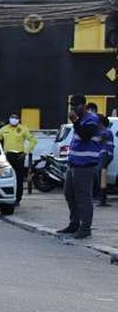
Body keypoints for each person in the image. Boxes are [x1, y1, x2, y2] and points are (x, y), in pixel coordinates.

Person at [59, 94, 101, 239]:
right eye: (71, 106)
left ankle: (85, 228)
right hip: (73, 164)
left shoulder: (91, 119)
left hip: (85, 165)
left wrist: (75, 122)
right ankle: (74, 223)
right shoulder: (80, 120)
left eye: (76, 106)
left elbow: (85, 135)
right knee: (69, 194)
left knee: (84, 197)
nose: (73, 109)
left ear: (84, 105)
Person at [0, 112, 37, 206]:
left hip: (19, 156)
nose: (13, 119)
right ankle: (4, 196)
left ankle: (18, 199)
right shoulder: (4, 129)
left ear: (19, 120)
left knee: (19, 179)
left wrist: (26, 152)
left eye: (16, 118)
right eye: (12, 117)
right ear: (9, 119)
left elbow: (33, 141)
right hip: (7, 156)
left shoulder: (23, 129)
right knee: (5, 177)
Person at [97, 114, 114, 207]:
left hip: (105, 155)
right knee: (100, 175)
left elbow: (100, 139)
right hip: (102, 155)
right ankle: (101, 198)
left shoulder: (107, 131)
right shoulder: (101, 131)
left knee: (101, 174)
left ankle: (103, 199)